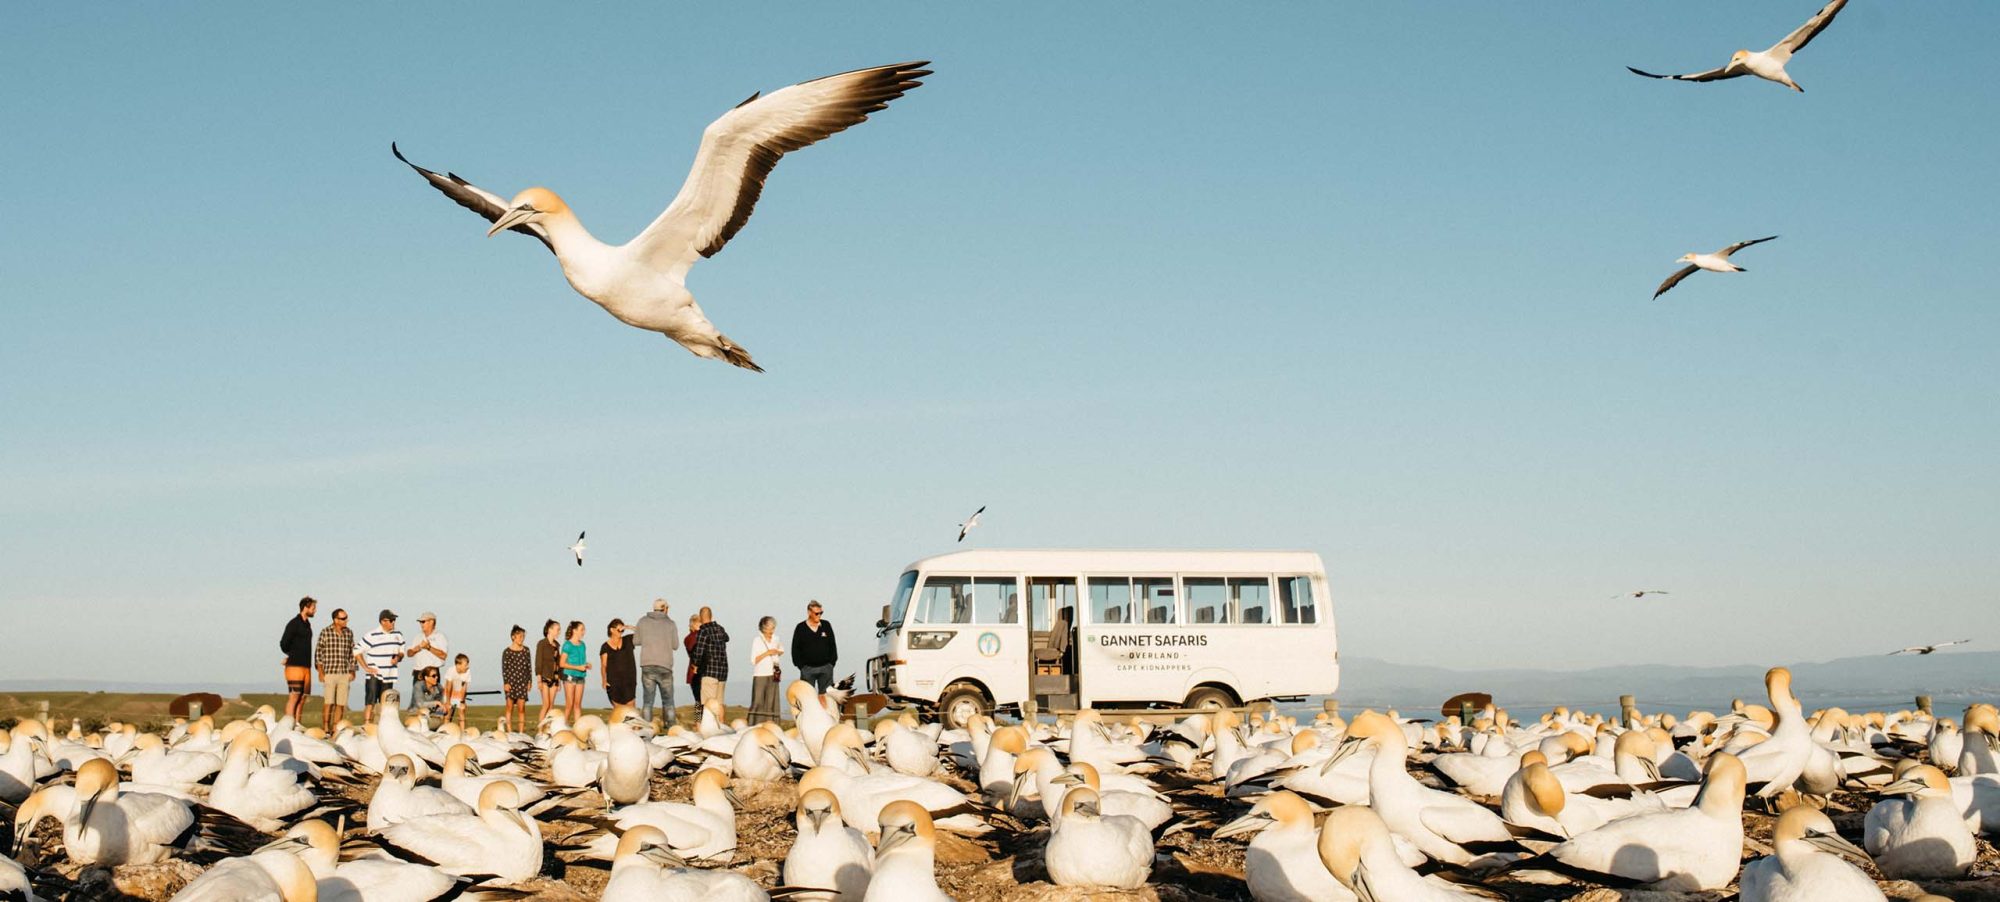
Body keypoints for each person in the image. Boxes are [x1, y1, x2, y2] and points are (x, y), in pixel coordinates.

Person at [633, 599, 678, 726]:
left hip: (647, 664)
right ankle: (675, 728)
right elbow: (675, 645)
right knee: (669, 702)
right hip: (666, 666)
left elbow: (635, 641)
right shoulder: (670, 624)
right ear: (665, 609)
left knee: (648, 702)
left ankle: (646, 729)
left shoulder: (642, 621)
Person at [357, 610, 405, 724]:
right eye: (391, 620)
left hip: (389, 675)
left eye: (394, 620)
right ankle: (367, 724)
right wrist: (366, 667)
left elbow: (402, 653)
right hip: (374, 674)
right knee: (371, 702)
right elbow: (357, 651)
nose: (393, 623)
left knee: (386, 704)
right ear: (383, 621)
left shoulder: (398, 635)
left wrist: (398, 658)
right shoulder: (371, 635)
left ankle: (383, 726)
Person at [314, 607, 355, 729]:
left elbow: (352, 652)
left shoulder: (349, 633)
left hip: (344, 672)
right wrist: (320, 672)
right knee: (329, 702)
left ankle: (336, 728)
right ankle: (326, 727)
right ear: (335, 620)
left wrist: (352, 670)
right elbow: (318, 653)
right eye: (343, 618)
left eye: (346, 618)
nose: (346, 620)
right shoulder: (325, 632)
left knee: (341, 704)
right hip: (329, 672)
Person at [280, 597, 317, 723]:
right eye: (313, 608)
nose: (315, 611)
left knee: (302, 698)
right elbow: (284, 643)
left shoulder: (307, 624)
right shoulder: (294, 623)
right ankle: (288, 725)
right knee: (294, 696)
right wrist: (291, 655)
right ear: (305, 607)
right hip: (294, 666)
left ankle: (297, 724)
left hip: (306, 666)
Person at [791, 599, 838, 694]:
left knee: (827, 698)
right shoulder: (800, 628)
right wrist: (800, 665)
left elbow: (832, 645)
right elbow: (795, 648)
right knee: (807, 696)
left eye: (821, 613)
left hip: (826, 668)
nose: (819, 615)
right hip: (807, 669)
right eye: (817, 613)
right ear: (809, 612)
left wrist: (831, 663)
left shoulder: (826, 625)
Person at [404, 612, 449, 702]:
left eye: (423, 622)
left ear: (431, 622)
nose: (421, 624)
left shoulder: (440, 636)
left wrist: (429, 647)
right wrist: (415, 650)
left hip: (432, 672)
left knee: (432, 700)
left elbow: (443, 655)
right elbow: (409, 653)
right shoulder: (418, 636)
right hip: (418, 672)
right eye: (420, 622)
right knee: (418, 701)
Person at [690, 606, 730, 708]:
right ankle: (719, 723)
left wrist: (695, 664)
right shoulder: (720, 629)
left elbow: (698, 652)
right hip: (722, 670)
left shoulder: (701, 632)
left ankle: (699, 722)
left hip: (707, 671)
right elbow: (726, 638)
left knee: (705, 703)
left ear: (701, 618)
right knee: (719, 704)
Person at [749, 615, 783, 724]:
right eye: (770, 628)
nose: (772, 631)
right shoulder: (757, 640)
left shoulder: (775, 639)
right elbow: (753, 660)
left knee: (771, 701)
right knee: (758, 701)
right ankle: (699, 721)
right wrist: (767, 653)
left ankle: (699, 721)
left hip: (772, 673)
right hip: (760, 674)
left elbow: (781, 650)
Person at [501, 625, 531, 735]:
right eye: (519, 636)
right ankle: (509, 731)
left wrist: (529, 681)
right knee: (509, 707)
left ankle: (521, 732)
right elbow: (505, 668)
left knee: (521, 708)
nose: (521, 638)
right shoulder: (507, 652)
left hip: (522, 682)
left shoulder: (526, 650)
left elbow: (529, 667)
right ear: (513, 637)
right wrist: (506, 683)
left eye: (523, 636)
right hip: (511, 682)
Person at [600, 619, 637, 708]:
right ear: (611, 630)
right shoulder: (605, 646)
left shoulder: (628, 640)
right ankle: (620, 722)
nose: (621, 631)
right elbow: (603, 665)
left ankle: (630, 722)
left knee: (630, 710)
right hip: (614, 683)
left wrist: (628, 627)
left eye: (622, 629)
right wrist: (604, 680)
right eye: (618, 629)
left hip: (629, 681)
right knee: (619, 710)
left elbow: (642, 633)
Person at [561, 620, 590, 723]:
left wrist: (586, 665)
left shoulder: (583, 645)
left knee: (577, 705)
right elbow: (562, 663)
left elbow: (580, 661)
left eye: (584, 629)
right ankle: (563, 727)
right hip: (569, 676)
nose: (584, 632)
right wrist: (578, 667)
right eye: (582, 629)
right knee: (569, 704)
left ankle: (578, 730)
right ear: (574, 630)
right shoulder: (567, 645)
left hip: (581, 677)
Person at [535, 619, 562, 727]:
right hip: (545, 677)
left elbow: (558, 663)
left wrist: (559, 680)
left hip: (555, 677)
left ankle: (549, 728)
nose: (559, 632)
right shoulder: (542, 644)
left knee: (551, 706)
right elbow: (538, 661)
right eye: (557, 630)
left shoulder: (557, 645)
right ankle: (541, 729)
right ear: (550, 630)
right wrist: (539, 680)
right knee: (545, 704)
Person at [443, 653, 471, 728]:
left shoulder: (467, 672)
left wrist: (462, 701)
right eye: (465, 665)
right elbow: (449, 687)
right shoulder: (451, 670)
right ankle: (445, 730)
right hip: (449, 694)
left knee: (462, 711)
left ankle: (461, 733)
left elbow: (464, 687)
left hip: (459, 694)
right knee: (448, 713)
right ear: (458, 665)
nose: (467, 667)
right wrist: (448, 702)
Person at [684, 610, 705, 705]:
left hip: (693, 671)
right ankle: (705, 718)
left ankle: (698, 719)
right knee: (705, 699)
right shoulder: (704, 636)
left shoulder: (688, 638)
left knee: (697, 699)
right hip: (704, 671)